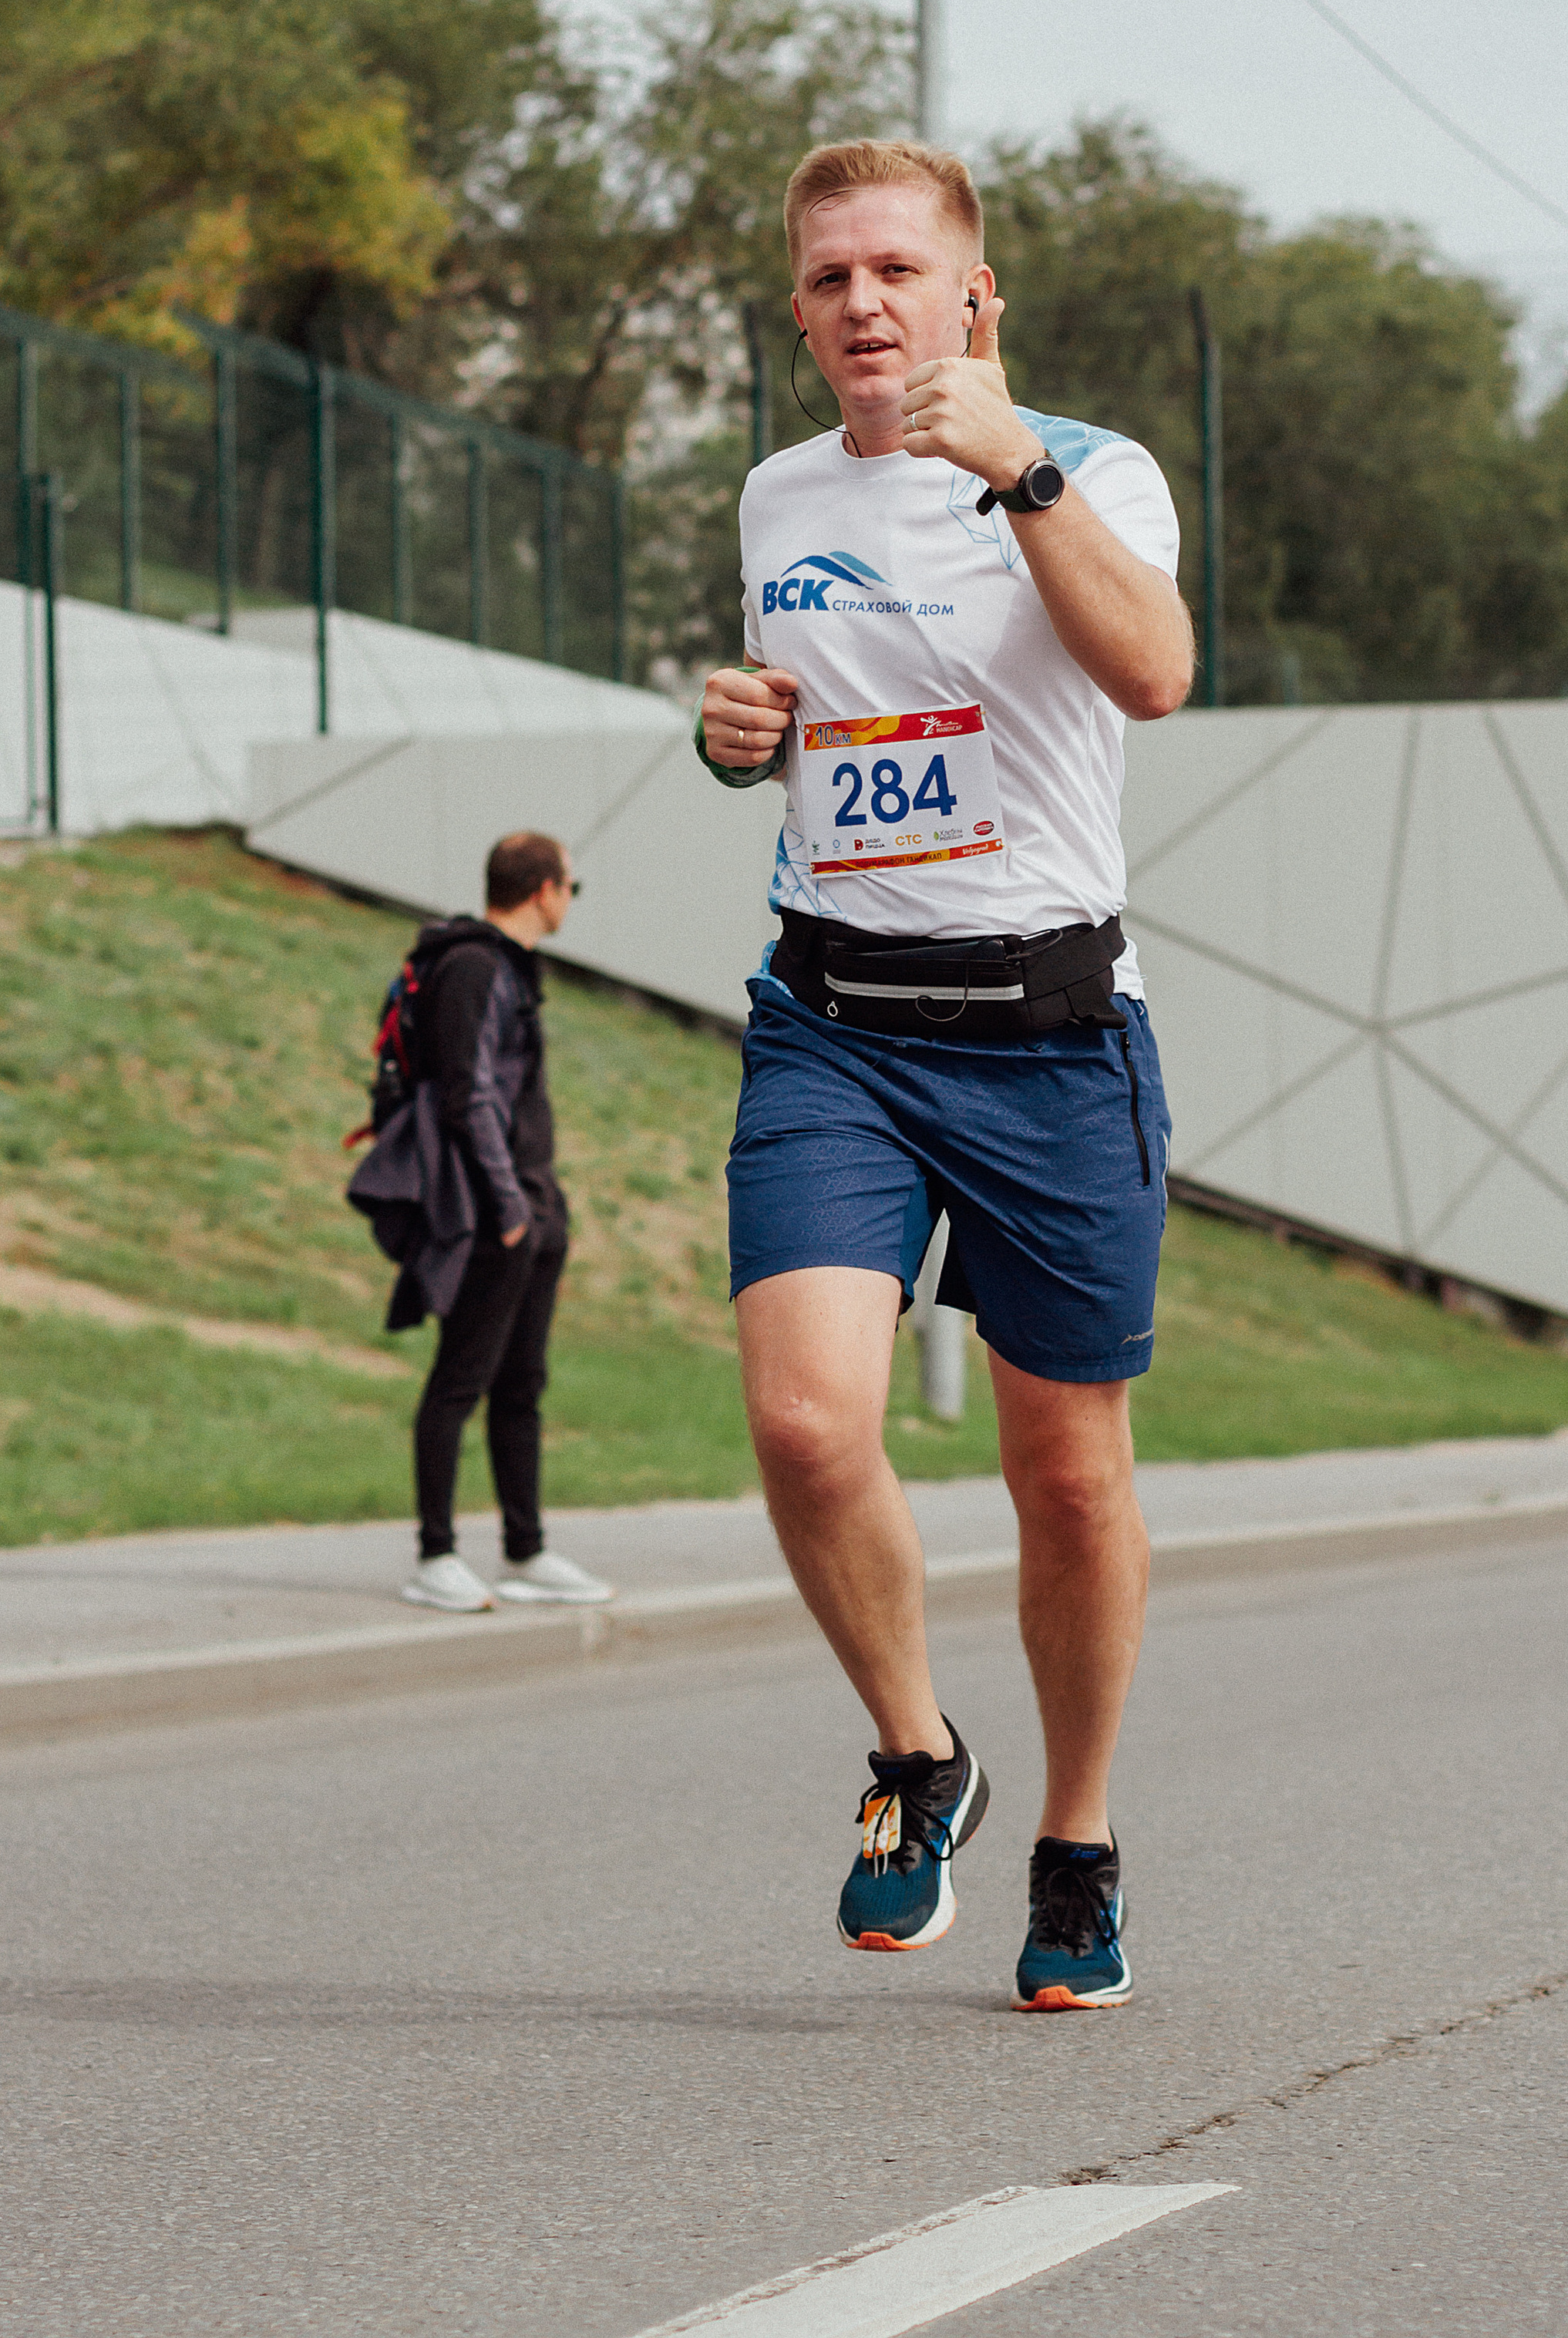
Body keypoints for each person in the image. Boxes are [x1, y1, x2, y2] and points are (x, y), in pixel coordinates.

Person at [698, 138, 1192, 2010]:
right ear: (801, 306)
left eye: (896, 268)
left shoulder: (1098, 466)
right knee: (810, 1423)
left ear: (973, 292)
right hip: (836, 1017)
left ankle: (1076, 1841)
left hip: (1053, 1034)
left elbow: (1150, 671)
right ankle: (918, 1753)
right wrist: (742, 729)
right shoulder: (776, 493)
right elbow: (823, 725)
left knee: (1062, 1478)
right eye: (828, 277)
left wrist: (1020, 470)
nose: (863, 304)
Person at [392, 832, 612, 1612]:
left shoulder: (507, 967)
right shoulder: (476, 967)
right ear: (544, 889)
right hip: (495, 1210)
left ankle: (526, 1550)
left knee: (521, 1384)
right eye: (570, 889)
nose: (567, 902)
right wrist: (510, 1206)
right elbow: (467, 1093)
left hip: (531, 1206)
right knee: (461, 1379)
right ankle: (435, 1555)